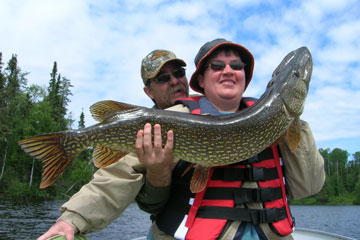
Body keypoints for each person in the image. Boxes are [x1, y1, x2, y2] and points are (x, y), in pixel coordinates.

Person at [135, 38, 325, 240]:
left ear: (244, 75)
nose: (228, 70)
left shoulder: (279, 122)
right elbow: (130, 193)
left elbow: (309, 188)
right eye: (217, 66)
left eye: (236, 65)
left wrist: (295, 119)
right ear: (201, 80)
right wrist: (157, 173)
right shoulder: (172, 121)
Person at [37, 49, 189, 240]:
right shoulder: (141, 131)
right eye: (162, 78)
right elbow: (113, 179)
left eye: (179, 73)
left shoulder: (212, 108)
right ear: (149, 91)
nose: (174, 81)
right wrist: (71, 219)